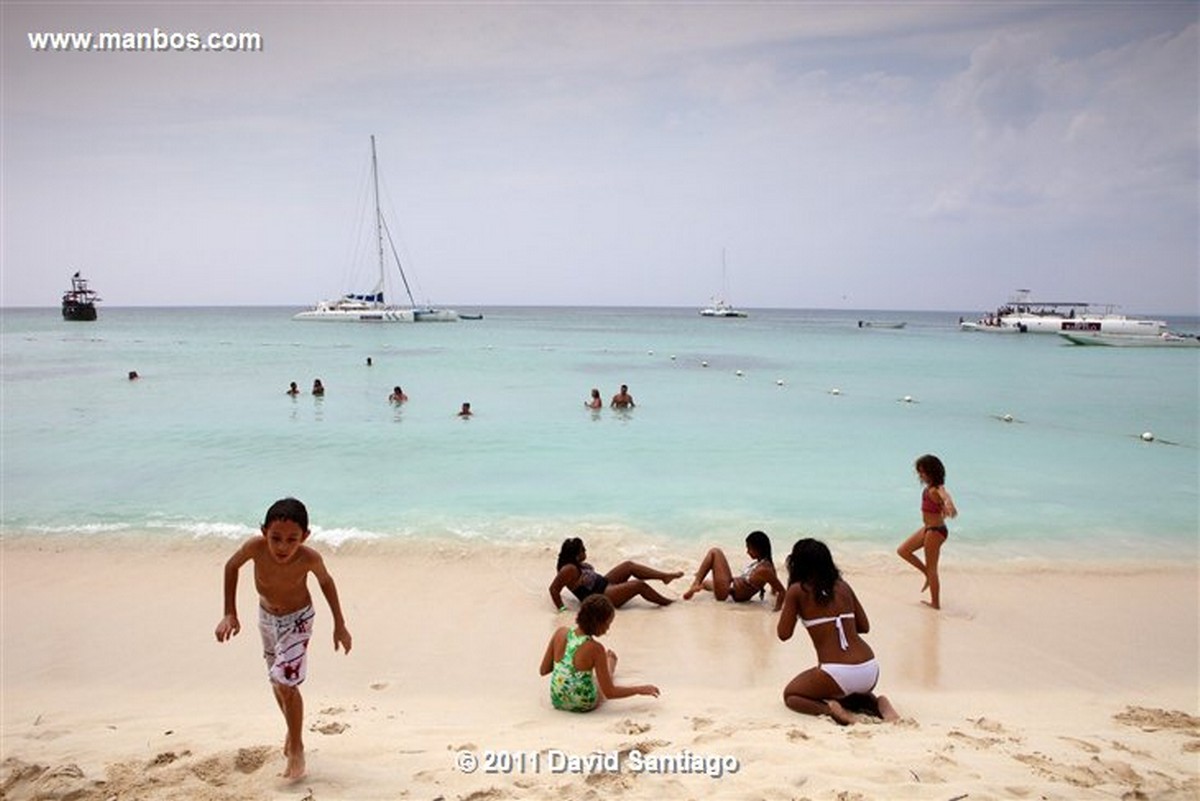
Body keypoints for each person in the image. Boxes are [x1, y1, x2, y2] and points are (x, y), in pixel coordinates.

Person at [214, 498, 352, 780]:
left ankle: (297, 748)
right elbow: (231, 566)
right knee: (276, 681)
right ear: (264, 531)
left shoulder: (309, 558)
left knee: (284, 681)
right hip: (266, 618)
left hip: (298, 620)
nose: (282, 547)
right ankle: (293, 730)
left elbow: (326, 582)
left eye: (292, 539)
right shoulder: (254, 547)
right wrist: (230, 612)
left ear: (305, 537)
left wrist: (340, 624)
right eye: (276, 538)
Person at [777, 538, 897, 725]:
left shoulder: (797, 590)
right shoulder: (843, 586)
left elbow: (783, 634)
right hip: (870, 668)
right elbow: (864, 626)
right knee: (846, 693)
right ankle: (877, 703)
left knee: (791, 695)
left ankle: (832, 711)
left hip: (836, 673)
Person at [539, 595, 660, 712]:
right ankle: (610, 663)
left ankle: (606, 664)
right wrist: (639, 689)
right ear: (598, 623)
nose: (608, 629)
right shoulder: (596, 648)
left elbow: (544, 670)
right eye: (608, 624)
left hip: (557, 699)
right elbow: (610, 693)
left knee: (588, 675)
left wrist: (566, 666)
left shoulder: (560, 632)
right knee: (600, 681)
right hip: (583, 703)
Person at [549, 537, 682, 610]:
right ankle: (668, 603)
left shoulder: (574, 565)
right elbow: (554, 589)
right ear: (577, 556)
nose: (586, 551)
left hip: (604, 585)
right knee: (638, 585)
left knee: (628, 565)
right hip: (602, 596)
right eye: (583, 550)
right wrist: (562, 609)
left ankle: (664, 576)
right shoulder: (568, 569)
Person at [896, 454, 957, 610]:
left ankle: (935, 603)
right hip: (928, 529)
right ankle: (927, 575)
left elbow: (945, 496)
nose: (920, 475)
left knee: (933, 569)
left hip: (936, 532)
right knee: (903, 551)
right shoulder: (929, 489)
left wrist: (949, 505)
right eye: (919, 472)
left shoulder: (937, 489)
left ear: (932, 472)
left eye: (922, 472)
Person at [682, 530, 786, 609]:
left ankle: (695, 584)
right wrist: (772, 595)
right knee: (705, 583)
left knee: (715, 552)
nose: (747, 552)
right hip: (730, 589)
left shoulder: (763, 570)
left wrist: (776, 611)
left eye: (749, 548)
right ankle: (699, 585)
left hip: (727, 593)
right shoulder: (767, 565)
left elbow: (782, 591)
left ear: (759, 549)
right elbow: (775, 585)